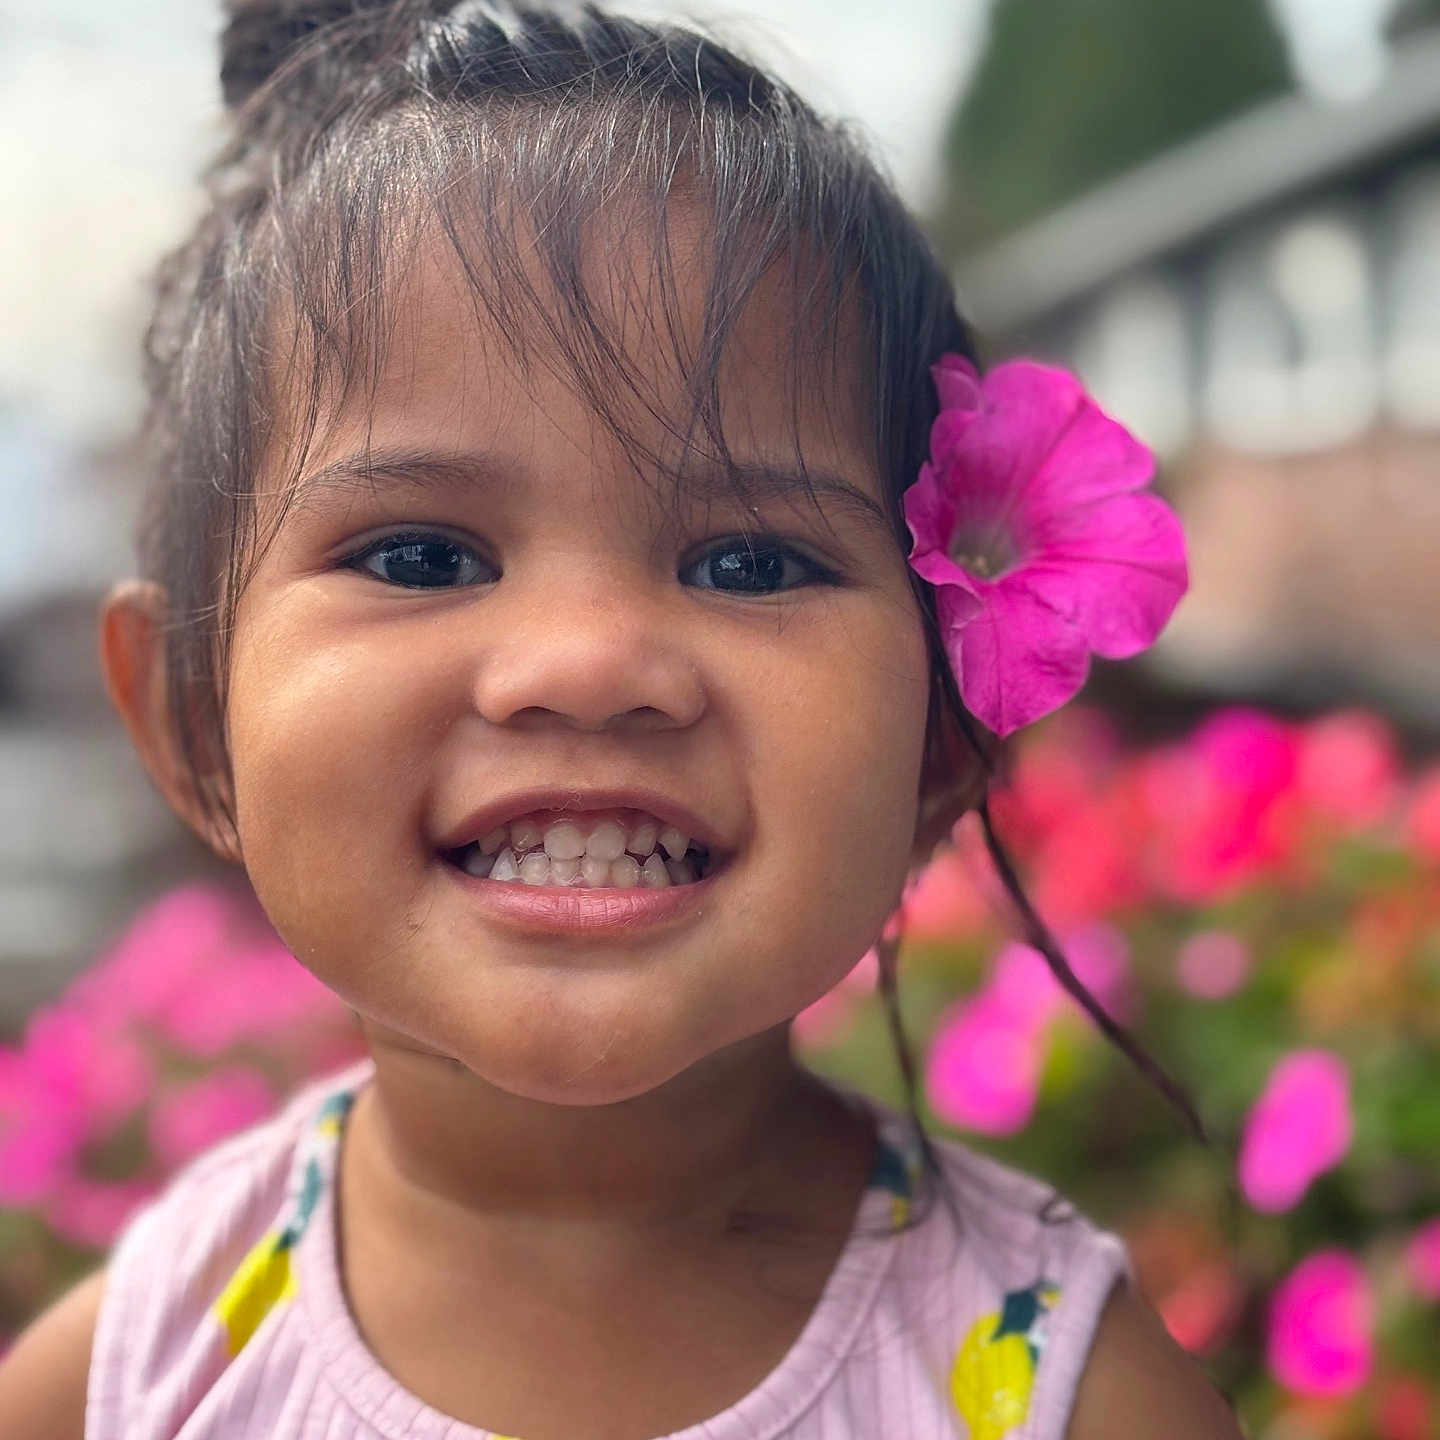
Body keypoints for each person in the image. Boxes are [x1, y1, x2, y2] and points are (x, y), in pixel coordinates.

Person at [0, 2, 1243, 1435]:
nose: (589, 663)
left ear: (944, 742)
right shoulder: (135, 1372)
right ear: (188, 720)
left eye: (751, 564)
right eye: (421, 557)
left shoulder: (1066, 1399)